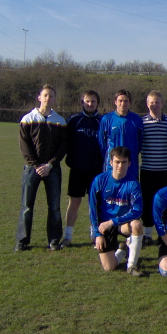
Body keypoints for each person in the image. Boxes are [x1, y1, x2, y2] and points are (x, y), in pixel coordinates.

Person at [14, 84, 67, 252]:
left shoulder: (60, 121)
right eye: (45, 95)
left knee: (54, 207)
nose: (48, 98)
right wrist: (37, 165)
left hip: (52, 169)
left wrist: (50, 164)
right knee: (27, 206)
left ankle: (53, 241)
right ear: (39, 97)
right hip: (31, 169)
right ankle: (22, 241)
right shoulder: (27, 119)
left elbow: (62, 147)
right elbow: (25, 147)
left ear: (55, 99)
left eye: (51, 96)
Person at [89, 147, 144, 276]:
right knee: (109, 267)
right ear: (111, 162)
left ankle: (131, 265)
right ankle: (123, 250)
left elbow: (137, 211)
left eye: (124, 162)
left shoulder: (133, 184)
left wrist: (113, 221)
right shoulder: (99, 181)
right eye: (117, 162)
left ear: (129, 163)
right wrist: (97, 234)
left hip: (122, 223)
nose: (120, 165)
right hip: (104, 225)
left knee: (137, 225)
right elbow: (93, 210)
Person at [62, 90, 104, 248]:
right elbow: (65, 143)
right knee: (74, 202)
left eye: (93, 101)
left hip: (96, 171)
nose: (90, 104)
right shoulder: (73, 121)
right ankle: (68, 236)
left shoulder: (102, 121)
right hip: (77, 170)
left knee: (94, 204)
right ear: (82, 102)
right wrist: (71, 160)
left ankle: (95, 235)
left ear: (97, 103)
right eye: (87, 101)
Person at [140, 90, 167, 246]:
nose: (154, 105)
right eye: (151, 102)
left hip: (166, 170)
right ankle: (147, 234)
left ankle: (164, 234)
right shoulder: (142, 123)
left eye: (157, 102)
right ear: (147, 104)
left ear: (162, 103)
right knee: (148, 202)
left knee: (165, 203)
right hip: (148, 170)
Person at [98, 89, 143, 180]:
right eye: (120, 101)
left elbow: (139, 142)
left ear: (130, 102)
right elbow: (101, 143)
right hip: (111, 166)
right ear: (115, 102)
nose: (123, 103)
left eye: (126, 101)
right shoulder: (107, 119)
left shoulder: (137, 120)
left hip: (131, 165)